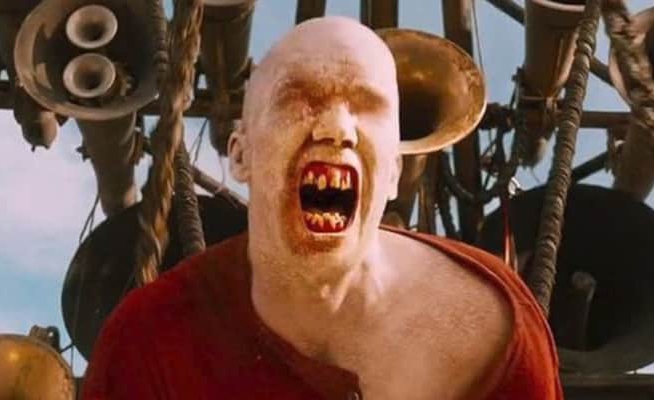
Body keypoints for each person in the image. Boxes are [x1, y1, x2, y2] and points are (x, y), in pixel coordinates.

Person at [82, 16, 563, 400]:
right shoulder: (148, 342)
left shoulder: (498, 330)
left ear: (394, 172)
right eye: (300, 98)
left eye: (366, 105)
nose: (337, 128)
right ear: (240, 155)